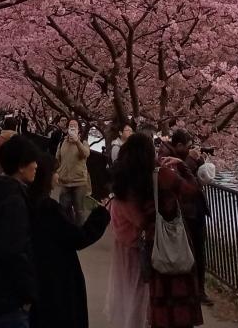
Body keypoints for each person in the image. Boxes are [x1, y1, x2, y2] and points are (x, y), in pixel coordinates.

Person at [27, 147, 110, 328]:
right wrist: (101, 215)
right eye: (54, 172)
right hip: (57, 278)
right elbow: (78, 238)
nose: (57, 176)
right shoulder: (48, 208)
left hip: (37, 277)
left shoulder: (27, 201)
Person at [0, 134, 40, 328]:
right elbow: (13, 253)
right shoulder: (14, 202)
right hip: (8, 302)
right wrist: (29, 294)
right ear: (21, 166)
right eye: (33, 161)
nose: (36, 166)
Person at [150, 139, 205, 328]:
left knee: (159, 294)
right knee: (178, 289)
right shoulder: (164, 175)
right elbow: (192, 189)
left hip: (152, 240)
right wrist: (182, 166)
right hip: (172, 238)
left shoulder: (138, 176)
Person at [106, 132, 153, 328]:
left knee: (125, 289)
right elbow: (141, 221)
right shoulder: (139, 187)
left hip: (122, 242)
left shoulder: (121, 181)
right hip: (137, 247)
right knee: (138, 292)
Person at [166, 130, 212, 306]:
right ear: (179, 146)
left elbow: (200, 178)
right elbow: (182, 181)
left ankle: (199, 289)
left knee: (200, 253)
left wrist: (200, 160)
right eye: (188, 146)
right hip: (186, 213)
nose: (191, 149)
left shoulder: (188, 160)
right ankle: (190, 290)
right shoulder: (169, 158)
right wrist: (189, 161)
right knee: (189, 253)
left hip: (196, 211)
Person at [55, 119, 90, 224]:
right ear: (67, 128)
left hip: (79, 182)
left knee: (79, 210)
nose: (72, 127)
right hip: (64, 181)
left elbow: (86, 154)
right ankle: (68, 228)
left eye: (75, 126)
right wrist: (59, 172)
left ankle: (80, 231)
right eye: (70, 125)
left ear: (79, 129)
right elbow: (57, 158)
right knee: (63, 208)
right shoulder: (62, 142)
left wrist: (77, 141)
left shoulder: (83, 142)